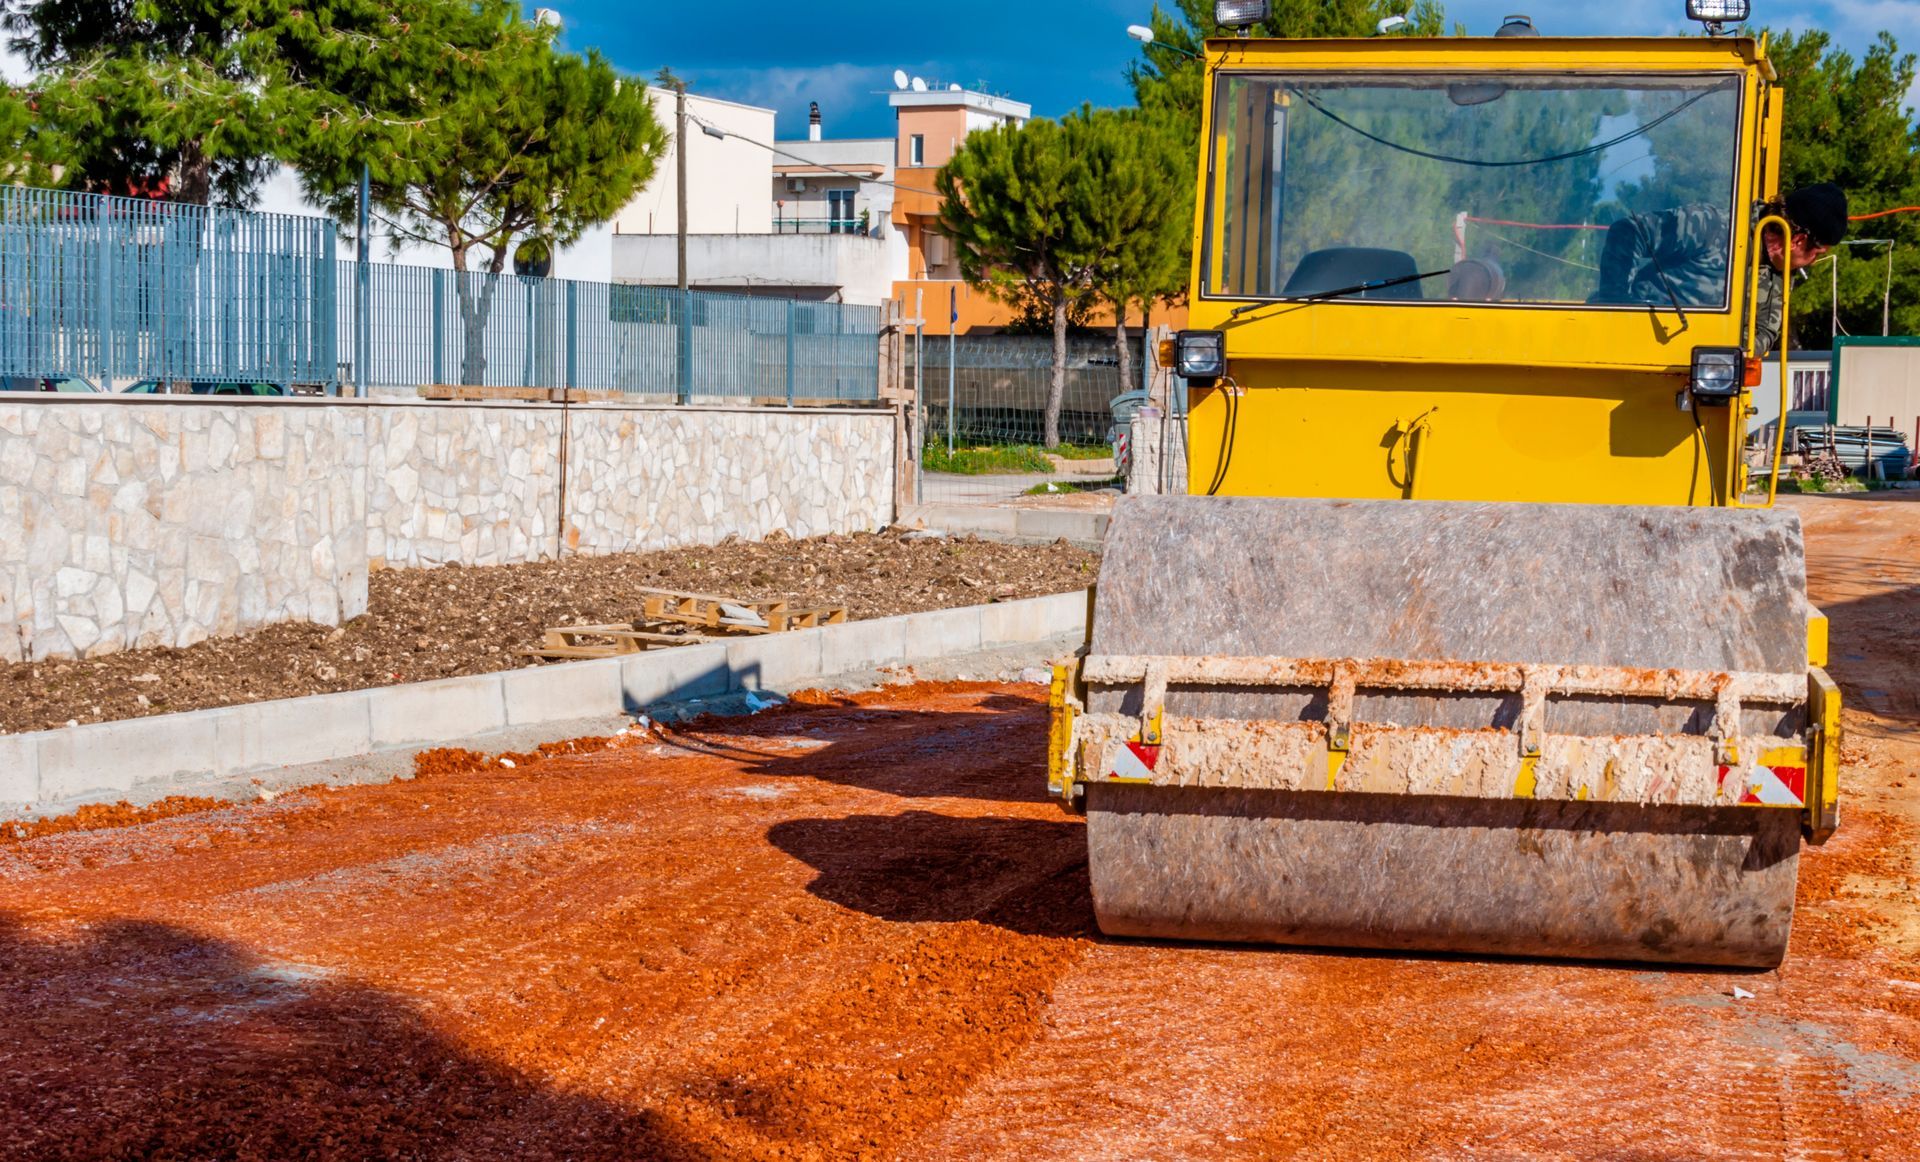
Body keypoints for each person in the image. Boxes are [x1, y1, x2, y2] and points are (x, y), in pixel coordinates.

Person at [1590, 183, 1849, 355]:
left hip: (1693, 381)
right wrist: (1616, 310)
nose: (1813, 262)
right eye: (1817, 252)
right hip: (1629, 352)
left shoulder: (1779, 274)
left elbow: (1765, 331)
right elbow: (1629, 232)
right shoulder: (1714, 226)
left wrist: (1727, 355)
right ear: (1798, 241)